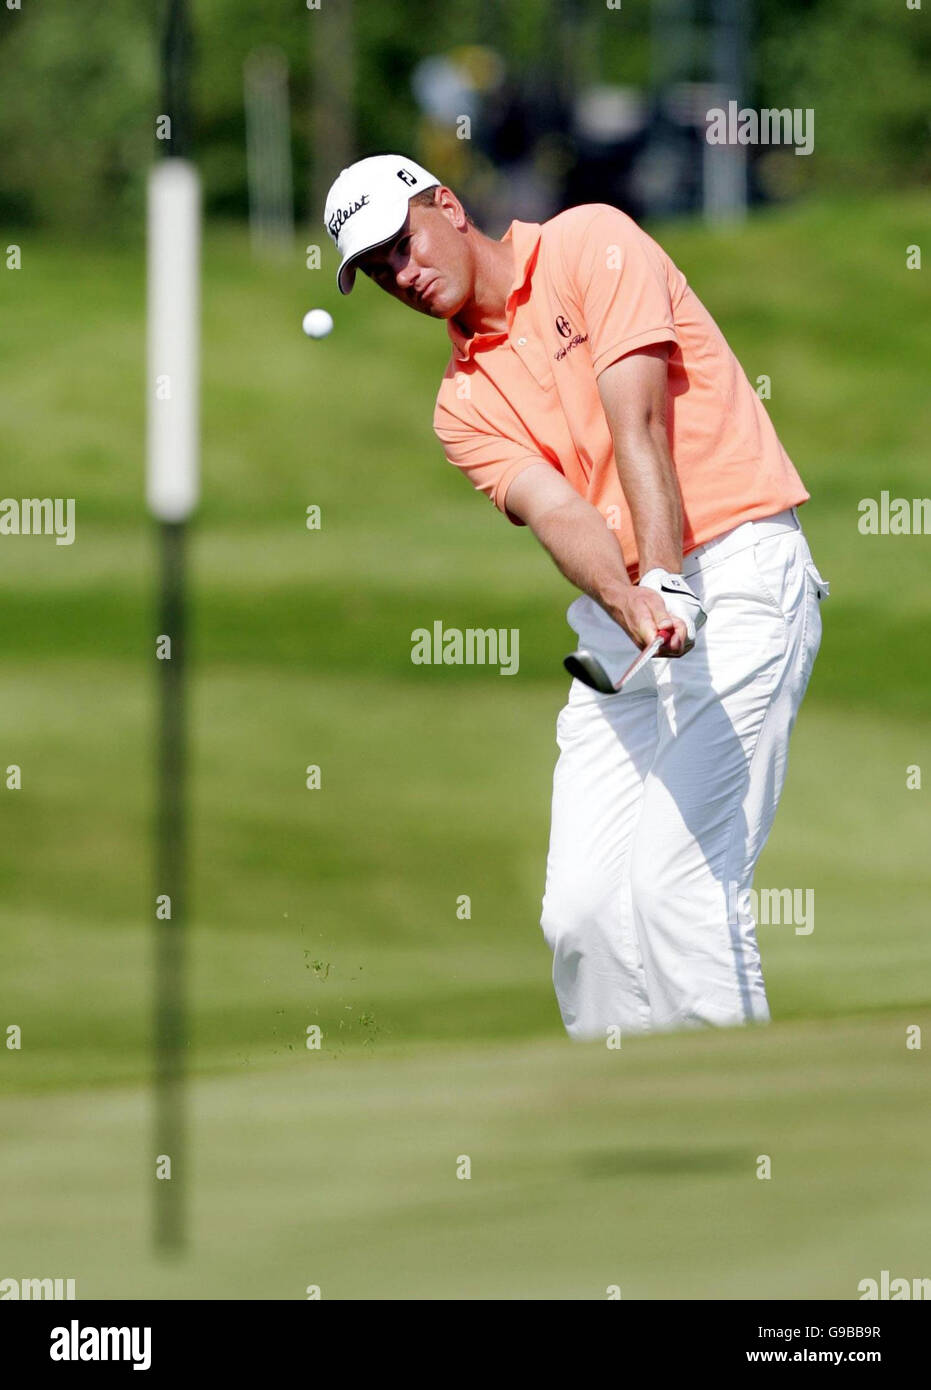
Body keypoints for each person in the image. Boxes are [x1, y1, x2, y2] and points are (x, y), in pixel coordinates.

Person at [323, 153, 830, 1041]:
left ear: (446, 204)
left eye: (401, 244)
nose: (401, 275)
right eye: (377, 269)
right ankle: (640, 1138)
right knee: (585, 916)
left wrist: (663, 580)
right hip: (622, 624)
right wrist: (631, 598)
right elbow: (558, 509)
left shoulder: (589, 241)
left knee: (676, 886)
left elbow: (639, 423)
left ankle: (744, 1133)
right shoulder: (460, 404)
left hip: (738, 572)